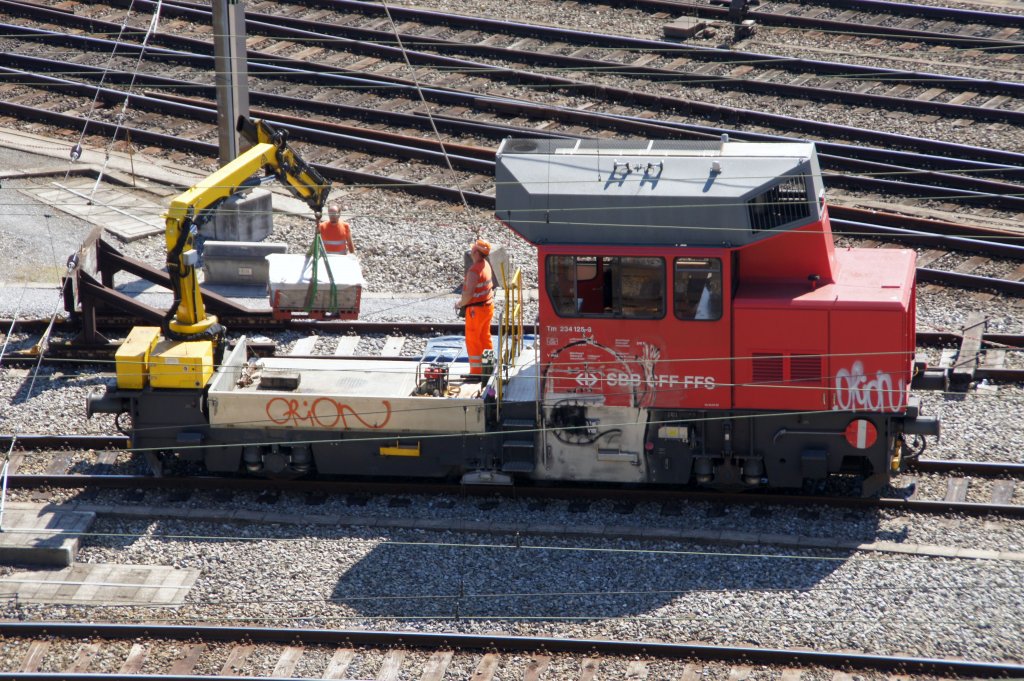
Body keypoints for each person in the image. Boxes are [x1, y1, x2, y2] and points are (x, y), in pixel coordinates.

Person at [456, 239, 494, 376]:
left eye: (473, 250)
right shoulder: (486, 265)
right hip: (487, 307)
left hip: (475, 311)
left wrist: (460, 303)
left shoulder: (474, 271)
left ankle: (476, 372)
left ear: (477, 253)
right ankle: (488, 367)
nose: (471, 252)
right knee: (485, 337)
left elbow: (469, 294)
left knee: (473, 340)